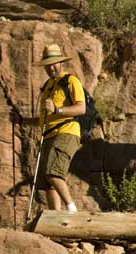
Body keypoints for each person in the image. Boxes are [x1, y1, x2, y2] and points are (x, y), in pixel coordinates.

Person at [14, 44, 85, 213]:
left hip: (67, 132)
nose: (51, 67)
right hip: (49, 135)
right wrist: (23, 120)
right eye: (48, 64)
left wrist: (58, 109)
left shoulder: (70, 80)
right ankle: (56, 217)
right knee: (47, 183)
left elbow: (81, 109)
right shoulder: (47, 87)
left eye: (54, 63)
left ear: (61, 63)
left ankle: (72, 210)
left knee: (53, 173)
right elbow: (45, 118)